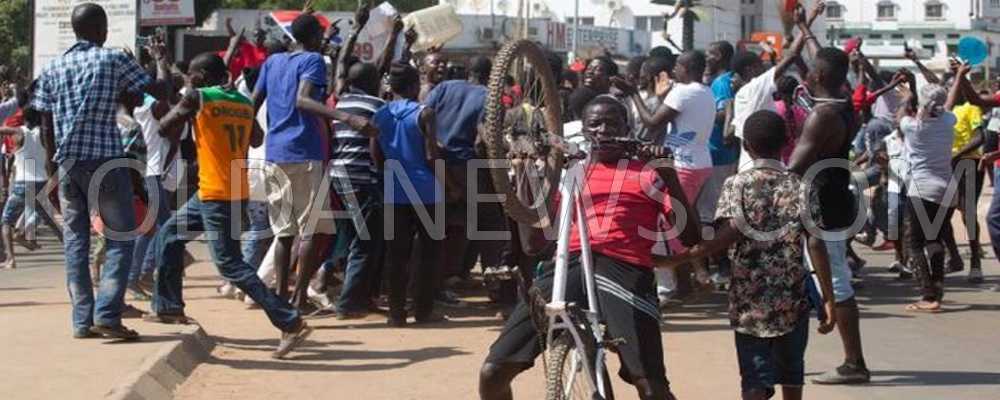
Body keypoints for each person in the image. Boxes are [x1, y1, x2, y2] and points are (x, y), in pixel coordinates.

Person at [478, 96, 700, 400]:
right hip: (567, 266)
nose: (604, 130)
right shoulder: (569, 172)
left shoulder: (647, 173)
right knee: (492, 373)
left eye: (613, 123)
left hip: (623, 269)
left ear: (627, 128)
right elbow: (533, 244)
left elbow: (690, 235)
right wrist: (527, 172)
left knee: (650, 387)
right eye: (595, 124)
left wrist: (667, 172)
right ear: (583, 130)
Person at [658, 110, 838, 400]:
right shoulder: (802, 186)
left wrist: (681, 259)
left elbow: (725, 235)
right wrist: (828, 296)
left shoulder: (736, 184)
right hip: (793, 295)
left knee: (754, 377)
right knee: (792, 370)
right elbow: (816, 245)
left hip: (748, 296)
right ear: (786, 142)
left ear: (746, 146)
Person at [148, 52, 312, 358]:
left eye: (192, 75)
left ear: (198, 77)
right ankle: (168, 307)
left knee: (229, 264)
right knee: (168, 236)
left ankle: (290, 321)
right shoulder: (244, 101)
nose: (190, 79)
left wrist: (185, 104)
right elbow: (256, 139)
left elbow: (163, 128)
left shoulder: (198, 97)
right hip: (231, 190)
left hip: (217, 192)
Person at [32, 3, 171, 340]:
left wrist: (54, 168)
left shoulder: (53, 68)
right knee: (121, 238)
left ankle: (82, 321)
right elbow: (159, 92)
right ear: (101, 29)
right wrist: (161, 61)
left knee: (75, 242)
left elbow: (46, 123)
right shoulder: (112, 59)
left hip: (67, 165)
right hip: (106, 162)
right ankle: (107, 315)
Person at [251, 13, 373, 314]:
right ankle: (299, 299)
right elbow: (303, 100)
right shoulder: (313, 62)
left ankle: (281, 296)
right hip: (304, 151)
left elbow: (254, 100)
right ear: (316, 38)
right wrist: (348, 118)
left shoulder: (273, 61)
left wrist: (250, 135)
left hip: (275, 151)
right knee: (311, 230)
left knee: (284, 232)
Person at [787, 40, 871, 383]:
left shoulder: (823, 115)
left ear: (820, 74)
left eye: (811, 67)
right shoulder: (842, 103)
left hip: (824, 199)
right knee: (822, 276)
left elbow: (795, 165)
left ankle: (855, 364)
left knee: (837, 281)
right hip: (835, 193)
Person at [617, 50, 715, 295]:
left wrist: (631, 95)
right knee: (682, 220)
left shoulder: (683, 92)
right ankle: (692, 278)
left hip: (683, 165)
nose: (673, 72)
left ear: (688, 67)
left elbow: (651, 122)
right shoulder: (706, 91)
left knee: (670, 224)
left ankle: (679, 282)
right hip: (700, 163)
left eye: (678, 67)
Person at [375, 63, 446, 326]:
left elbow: (377, 155)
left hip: (394, 190)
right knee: (428, 253)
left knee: (396, 255)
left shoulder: (380, 114)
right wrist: (447, 182)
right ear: (416, 86)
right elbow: (431, 156)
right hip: (427, 191)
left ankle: (396, 313)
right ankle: (423, 310)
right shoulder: (425, 113)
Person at [423, 56, 491, 304]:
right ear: (489, 75)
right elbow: (482, 140)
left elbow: (423, 116)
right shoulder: (487, 96)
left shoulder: (443, 87)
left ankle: (431, 282)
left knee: (434, 227)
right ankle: (442, 283)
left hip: (434, 161)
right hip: (465, 166)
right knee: (459, 229)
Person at [898, 68, 963, 313]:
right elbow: (950, 101)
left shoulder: (913, 127)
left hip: (923, 190)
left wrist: (907, 94)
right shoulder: (947, 122)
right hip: (948, 191)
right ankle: (937, 286)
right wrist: (959, 77)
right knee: (934, 238)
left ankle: (928, 295)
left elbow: (903, 113)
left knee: (914, 242)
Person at [329, 61, 386, 319]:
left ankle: (360, 296)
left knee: (355, 237)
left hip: (339, 175)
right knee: (366, 242)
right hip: (362, 178)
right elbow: (379, 147)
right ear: (373, 82)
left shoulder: (340, 104)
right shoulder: (377, 106)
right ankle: (348, 303)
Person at [0, 105, 62, 269]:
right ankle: (70, 247)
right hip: (41, 181)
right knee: (51, 221)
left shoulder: (19, 132)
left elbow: (2, 130)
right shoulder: (43, 134)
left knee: (6, 221)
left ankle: (11, 259)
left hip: (23, 183)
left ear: (24, 118)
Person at [944, 92, 986, 283]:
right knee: (941, 215)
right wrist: (917, 61)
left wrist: (955, 155)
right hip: (946, 166)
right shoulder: (946, 108)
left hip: (969, 163)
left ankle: (976, 264)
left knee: (967, 213)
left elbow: (979, 138)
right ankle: (954, 257)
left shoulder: (971, 107)